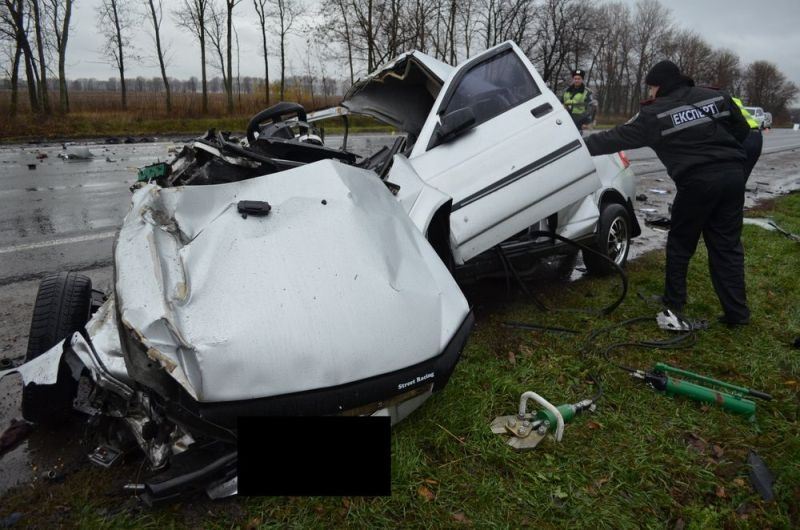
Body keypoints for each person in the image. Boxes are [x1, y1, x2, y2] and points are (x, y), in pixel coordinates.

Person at [583, 60, 752, 326]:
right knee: (727, 246)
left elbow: (615, 138)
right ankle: (737, 314)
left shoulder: (656, 114)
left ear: (657, 86)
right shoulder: (716, 96)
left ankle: (673, 303)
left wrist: (577, 144)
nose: (650, 94)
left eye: (650, 89)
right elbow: (743, 130)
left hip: (696, 182)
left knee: (681, 243)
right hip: (732, 177)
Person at [731, 96, 763, 181]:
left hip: (744, 136)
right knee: (741, 179)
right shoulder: (732, 99)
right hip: (756, 136)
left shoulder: (712, 101)